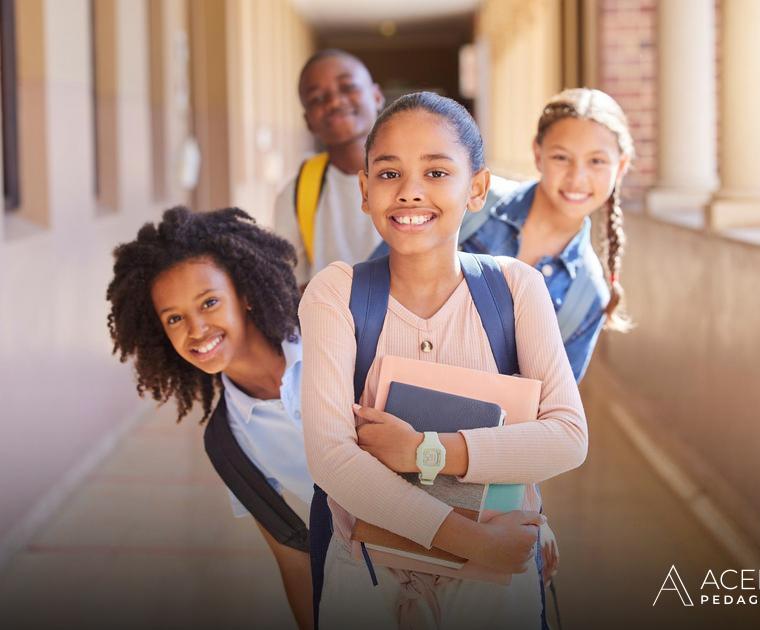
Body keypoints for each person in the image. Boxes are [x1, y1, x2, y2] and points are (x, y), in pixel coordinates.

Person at [299, 92, 587, 628]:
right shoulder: (335, 294)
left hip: (494, 587)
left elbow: (568, 436)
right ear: (364, 191)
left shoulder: (515, 288)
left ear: (476, 187)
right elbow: (332, 459)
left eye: (436, 172)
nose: (410, 192)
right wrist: (472, 541)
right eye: (388, 174)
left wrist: (424, 451)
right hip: (370, 575)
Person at [106, 207, 314, 630]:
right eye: (175, 318)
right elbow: (295, 563)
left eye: (210, 302)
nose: (196, 329)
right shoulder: (229, 443)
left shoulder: (333, 337)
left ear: (245, 295)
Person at [461, 88, 634, 385]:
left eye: (596, 162)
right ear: (538, 155)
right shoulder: (472, 203)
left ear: (620, 167)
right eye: (561, 157)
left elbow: (549, 413)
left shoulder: (587, 296)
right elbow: (372, 290)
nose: (577, 178)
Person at [274, 49, 385, 287]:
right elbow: (291, 287)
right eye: (317, 99)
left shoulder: (419, 175)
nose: (334, 102)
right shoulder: (296, 194)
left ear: (376, 96)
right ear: (308, 121)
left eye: (348, 88)